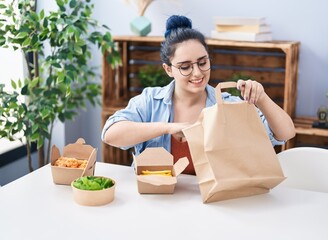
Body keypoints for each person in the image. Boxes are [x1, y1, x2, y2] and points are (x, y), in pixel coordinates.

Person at [101, 15, 295, 175]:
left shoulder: (227, 104)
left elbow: (285, 134)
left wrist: (262, 98)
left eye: (202, 62)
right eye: (185, 67)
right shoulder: (151, 101)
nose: (197, 73)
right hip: (158, 200)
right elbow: (110, 134)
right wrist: (167, 127)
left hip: (212, 204)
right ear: (168, 69)